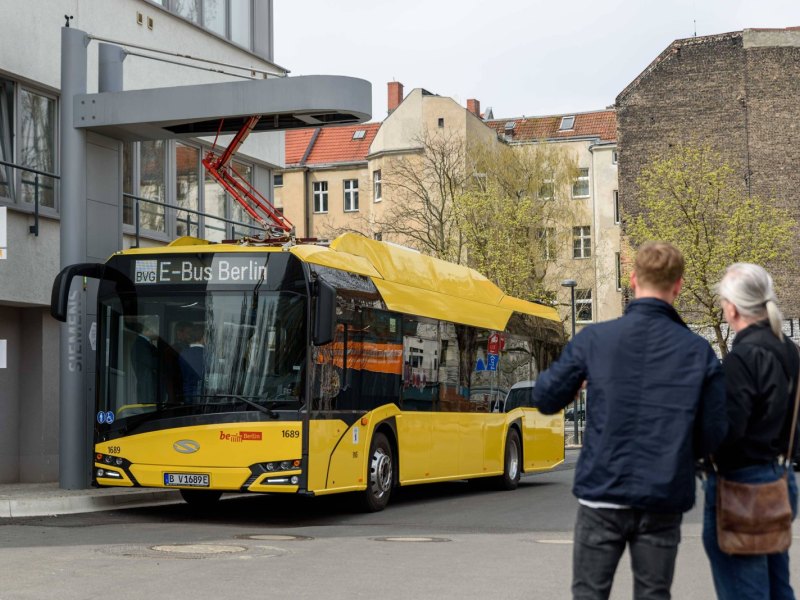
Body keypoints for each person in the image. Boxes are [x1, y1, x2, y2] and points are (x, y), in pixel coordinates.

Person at [532, 241, 728, 600]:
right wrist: (681, 451)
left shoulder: (595, 339)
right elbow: (715, 431)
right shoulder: (697, 352)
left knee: (590, 593)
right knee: (654, 593)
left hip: (602, 492)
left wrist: (572, 387)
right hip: (662, 493)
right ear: (679, 285)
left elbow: (545, 396)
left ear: (634, 279)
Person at [702, 263, 800, 600]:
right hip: (779, 479)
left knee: (745, 593)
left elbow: (728, 431)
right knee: (778, 590)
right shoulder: (789, 350)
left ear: (731, 307)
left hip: (742, 489)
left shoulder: (741, 359)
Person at [129, 320, 158, 404]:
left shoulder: (145, 343)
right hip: (147, 387)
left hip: (148, 386)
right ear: (149, 330)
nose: (158, 333)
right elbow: (151, 363)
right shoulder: (140, 344)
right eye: (156, 330)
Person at [178, 324, 206, 400]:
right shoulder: (208, 354)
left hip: (187, 392)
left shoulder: (183, 354)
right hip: (205, 394)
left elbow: (180, 374)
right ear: (203, 338)